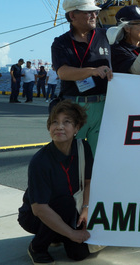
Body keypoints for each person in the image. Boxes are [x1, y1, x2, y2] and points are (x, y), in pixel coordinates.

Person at [18, 100, 102, 264]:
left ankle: (56, 234)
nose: (59, 127)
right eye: (54, 122)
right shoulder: (40, 161)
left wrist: (86, 208)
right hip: (35, 216)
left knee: (78, 254)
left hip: (70, 210)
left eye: (67, 122)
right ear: (49, 127)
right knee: (64, 202)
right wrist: (72, 234)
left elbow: (88, 182)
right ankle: (38, 246)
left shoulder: (83, 148)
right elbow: (39, 208)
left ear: (77, 128)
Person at [52, 0, 112, 155]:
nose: (94, 15)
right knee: (69, 157)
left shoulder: (106, 36)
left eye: (95, 12)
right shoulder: (60, 43)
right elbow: (63, 72)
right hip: (74, 107)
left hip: (102, 106)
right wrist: (92, 71)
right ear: (73, 15)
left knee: (98, 157)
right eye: (88, 12)